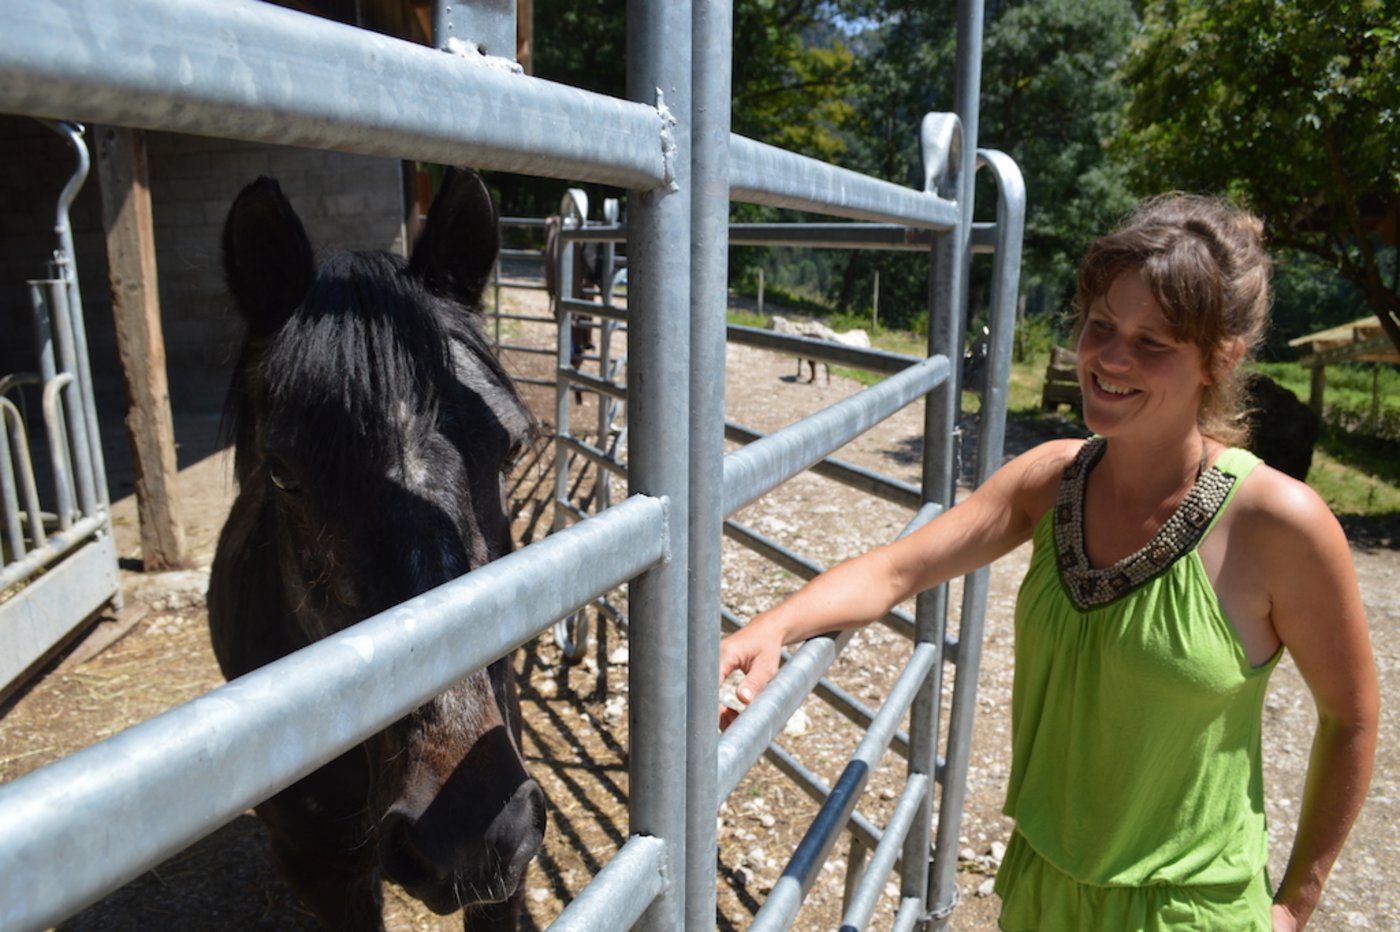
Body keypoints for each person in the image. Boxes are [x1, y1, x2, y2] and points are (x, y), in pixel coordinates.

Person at [718, 195, 1379, 930]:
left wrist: (1294, 904)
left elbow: (1350, 717)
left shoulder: (1276, 523)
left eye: (1153, 343)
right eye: (1102, 326)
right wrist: (772, 628)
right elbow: (897, 571)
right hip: (1041, 893)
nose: (1112, 359)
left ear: (1219, 360)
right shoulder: (1052, 481)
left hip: (1188, 912)